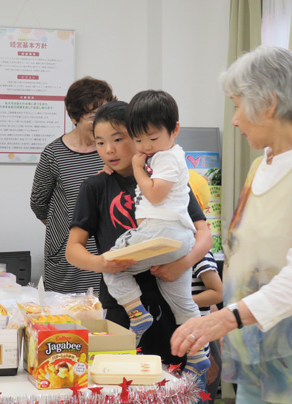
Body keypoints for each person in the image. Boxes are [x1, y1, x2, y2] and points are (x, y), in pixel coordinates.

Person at [171, 46, 292, 404]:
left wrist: (223, 319)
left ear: (269, 104)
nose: (235, 119)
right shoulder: (259, 168)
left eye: (238, 105)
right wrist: (222, 321)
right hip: (255, 352)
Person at [66, 100, 213, 375]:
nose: (108, 150)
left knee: (172, 397)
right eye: (99, 143)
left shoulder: (165, 178)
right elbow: (73, 249)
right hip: (123, 309)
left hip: (169, 305)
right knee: (123, 395)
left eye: (118, 139)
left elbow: (205, 235)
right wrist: (102, 264)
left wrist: (183, 263)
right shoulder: (95, 186)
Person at [30, 76, 115, 295]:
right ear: (75, 117)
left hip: (107, 252)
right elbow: (39, 204)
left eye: (105, 114)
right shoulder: (54, 154)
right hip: (67, 257)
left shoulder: (113, 152)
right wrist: (68, 229)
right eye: (93, 116)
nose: (99, 123)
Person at [187, 170, 223, 404]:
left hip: (194, 341)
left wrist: (182, 303)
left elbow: (216, 293)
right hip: (184, 339)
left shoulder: (197, 248)